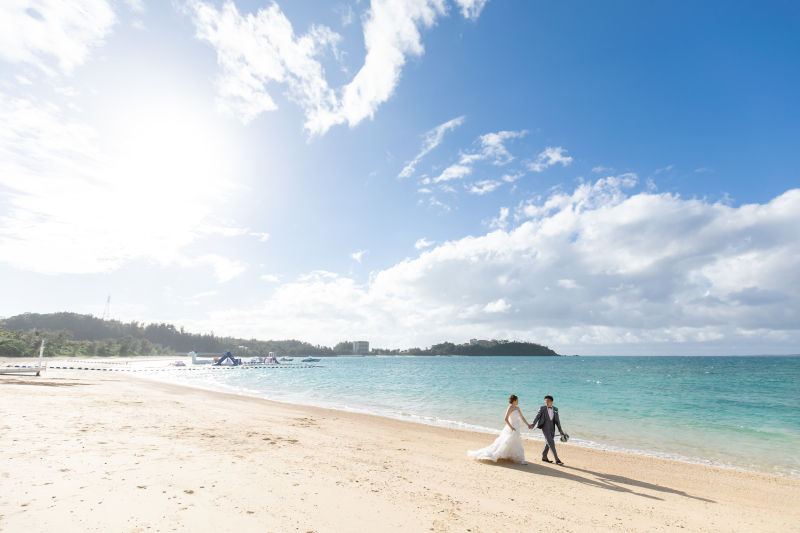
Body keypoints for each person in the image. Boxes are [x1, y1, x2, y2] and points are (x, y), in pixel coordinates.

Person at [468, 395, 532, 464]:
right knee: (506, 441)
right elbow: (506, 419)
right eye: (517, 400)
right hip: (511, 427)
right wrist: (511, 427)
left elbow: (522, 417)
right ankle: (498, 454)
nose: (518, 401)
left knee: (515, 442)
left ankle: (512, 456)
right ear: (514, 401)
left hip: (516, 427)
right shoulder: (510, 408)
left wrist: (528, 424)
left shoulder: (517, 408)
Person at [529, 395, 565, 465]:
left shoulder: (555, 409)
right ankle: (557, 460)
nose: (546, 402)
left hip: (552, 428)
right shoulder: (542, 408)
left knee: (548, 442)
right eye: (545, 401)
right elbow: (537, 416)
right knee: (551, 443)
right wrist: (533, 424)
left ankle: (544, 457)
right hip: (545, 428)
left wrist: (560, 430)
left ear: (551, 402)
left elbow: (557, 421)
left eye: (548, 401)